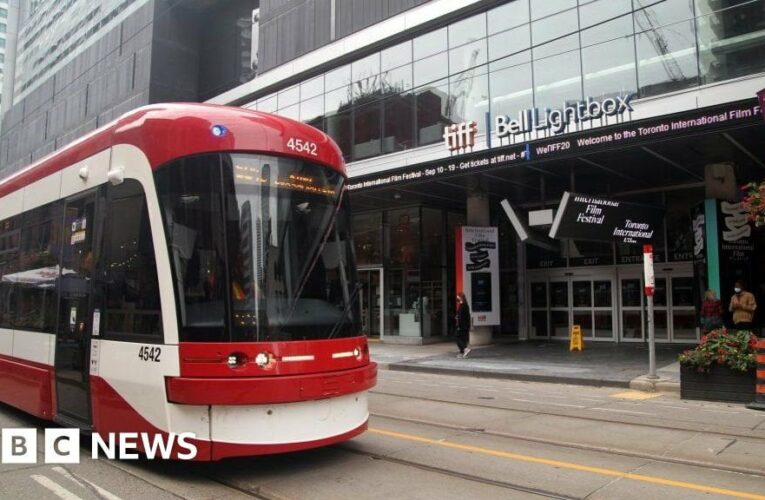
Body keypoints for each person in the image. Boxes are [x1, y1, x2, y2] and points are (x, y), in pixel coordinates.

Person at [455, 292, 471, 358]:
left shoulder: (461, 306)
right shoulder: (466, 305)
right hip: (466, 325)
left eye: (458, 297)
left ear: (460, 297)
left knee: (457, 337)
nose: (457, 298)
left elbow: (461, 317)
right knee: (463, 338)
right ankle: (463, 352)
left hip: (461, 325)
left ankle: (465, 349)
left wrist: (458, 325)